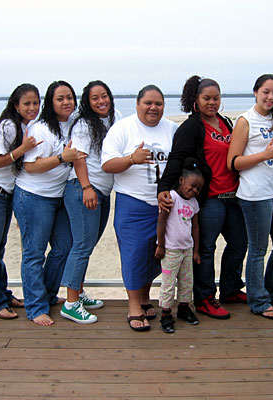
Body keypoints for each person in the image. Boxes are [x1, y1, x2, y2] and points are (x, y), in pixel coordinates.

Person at [158, 76, 247, 320]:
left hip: (234, 195)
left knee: (239, 243)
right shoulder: (192, 127)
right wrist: (163, 187)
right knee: (206, 249)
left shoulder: (226, 122)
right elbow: (177, 158)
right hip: (211, 198)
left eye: (216, 98)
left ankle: (230, 289)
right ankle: (205, 297)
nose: (212, 102)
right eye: (206, 98)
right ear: (196, 100)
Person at [101, 84, 178, 331]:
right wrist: (131, 159)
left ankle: (145, 297)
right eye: (148, 103)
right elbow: (107, 164)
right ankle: (134, 305)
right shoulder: (123, 128)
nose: (153, 108)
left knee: (155, 254)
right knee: (134, 254)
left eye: (159, 104)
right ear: (137, 104)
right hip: (133, 202)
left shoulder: (172, 129)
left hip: (164, 204)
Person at [13, 80, 84, 326]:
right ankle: (35, 307)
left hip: (59, 197)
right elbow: (30, 166)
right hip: (33, 196)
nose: (66, 102)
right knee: (34, 253)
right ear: (50, 103)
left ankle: (47, 295)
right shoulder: (41, 128)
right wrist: (62, 157)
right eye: (60, 98)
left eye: (69, 97)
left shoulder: (73, 125)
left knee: (64, 248)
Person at [227, 73, 273, 320]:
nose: (270, 97)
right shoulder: (246, 120)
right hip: (255, 195)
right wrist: (263, 156)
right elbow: (233, 162)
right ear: (256, 92)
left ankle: (270, 290)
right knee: (258, 249)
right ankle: (258, 301)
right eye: (266, 92)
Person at [0, 83, 41, 320]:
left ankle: (3, 295)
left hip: (3, 196)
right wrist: (22, 149)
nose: (32, 108)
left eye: (36, 103)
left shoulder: (23, 126)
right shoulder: (8, 126)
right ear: (16, 105)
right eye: (27, 103)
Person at [60, 80, 122, 324]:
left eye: (104, 96)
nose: (101, 101)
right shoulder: (84, 124)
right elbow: (79, 157)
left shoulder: (116, 117)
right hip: (84, 188)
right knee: (82, 246)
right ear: (87, 102)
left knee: (88, 244)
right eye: (95, 98)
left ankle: (78, 292)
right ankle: (71, 303)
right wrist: (86, 187)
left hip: (103, 191)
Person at [155, 158, 203, 333]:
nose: (194, 190)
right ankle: (166, 314)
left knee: (186, 282)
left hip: (187, 250)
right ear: (181, 180)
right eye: (192, 185)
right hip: (171, 250)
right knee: (168, 283)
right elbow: (161, 222)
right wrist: (161, 245)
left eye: (198, 188)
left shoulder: (194, 203)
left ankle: (184, 308)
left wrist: (195, 250)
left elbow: (195, 227)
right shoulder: (171, 198)